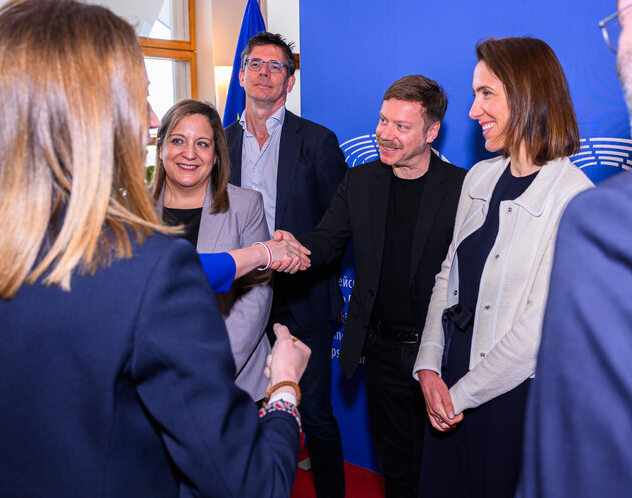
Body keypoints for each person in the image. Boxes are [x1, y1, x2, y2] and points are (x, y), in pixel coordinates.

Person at [0, 0, 311, 497]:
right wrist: (283, 389)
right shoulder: (147, 271)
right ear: (86, 115)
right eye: (138, 98)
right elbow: (254, 483)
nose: (152, 121)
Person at [412, 36, 594, 497]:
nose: (473, 111)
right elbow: (446, 277)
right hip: (446, 390)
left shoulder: (573, 195)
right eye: (475, 95)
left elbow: (538, 330)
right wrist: (429, 366)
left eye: (486, 93)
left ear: (528, 92)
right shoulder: (479, 177)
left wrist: (461, 396)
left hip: (510, 403)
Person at [277, 75, 465, 497]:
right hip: (379, 351)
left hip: (441, 353)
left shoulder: (462, 188)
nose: (384, 133)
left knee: (443, 471)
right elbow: (325, 242)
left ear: (431, 132)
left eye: (401, 126)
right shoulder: (360, 181)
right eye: (383, 120)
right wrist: (292, 248)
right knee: (397, 469)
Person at [517, 0, 632, 496]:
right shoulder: (478, 180)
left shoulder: (605, 220)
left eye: (622, 21)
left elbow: (578, 467)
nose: (615, 48)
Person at [225, 31, 347, 498]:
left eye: (275, 67)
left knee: (315, 414)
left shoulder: (317, 141)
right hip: (238, 297)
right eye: (255, 64)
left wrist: (300, 261)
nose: (263, 73)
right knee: (241, 408)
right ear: (242, 74)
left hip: (303, 299)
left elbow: (338, 228)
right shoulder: (220, 141)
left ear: (289, 82)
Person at [153, 98, 282, 400]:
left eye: (202, 144)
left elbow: (256, 298)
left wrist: (210, 369)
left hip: (232, 380)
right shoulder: (133, 211)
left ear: (215, 156)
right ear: (161, 149)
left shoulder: (245, 205)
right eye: (177, 141)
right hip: (155, 380)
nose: (189, 154)